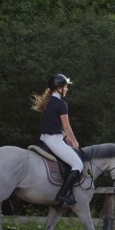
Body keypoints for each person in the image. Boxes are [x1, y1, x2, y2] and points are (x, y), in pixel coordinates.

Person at [31, 73, 83, 205]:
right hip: (53, 141)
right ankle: (62, 194)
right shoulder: (61, 104)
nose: (66, 89)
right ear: (59, 88)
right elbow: (66, 126)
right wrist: (75, 141)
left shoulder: (48, 102)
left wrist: (65, 137)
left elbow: (52, 124)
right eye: (65, 87)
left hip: (43, 139)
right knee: (78, 165)